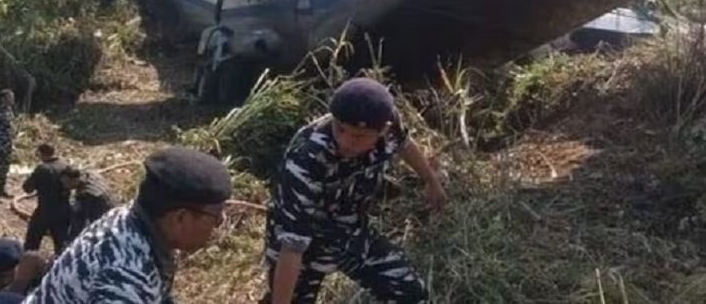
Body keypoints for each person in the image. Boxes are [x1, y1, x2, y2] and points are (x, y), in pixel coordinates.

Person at [261, 77, 447, 304]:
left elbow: (404, 143)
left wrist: (431, 180)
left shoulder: (386, 121)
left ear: (383, 130)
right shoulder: (306, 160)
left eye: (358, 136)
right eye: (340, 129)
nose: (345, 142)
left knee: (410, 294)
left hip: (351, 231)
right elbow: (292, 246)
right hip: (305, 242)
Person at [23, 146, 232, 303]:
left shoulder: (134, 219)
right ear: (180, 218)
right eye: (215, 215)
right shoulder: (126, 278)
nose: (221, 221)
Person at [22, 144, 70, 255]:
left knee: (32, 242)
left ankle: (29, 262)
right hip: (64, 210)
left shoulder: (42, 169)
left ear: (41, 153)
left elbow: (27, 188)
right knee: (62, 245)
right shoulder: (65, 165)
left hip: (45, 210)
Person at [59, 166, 116, 241]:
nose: (64, 186)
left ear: (74, 180)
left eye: (66, 183)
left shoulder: (85, 195)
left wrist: (71, 240)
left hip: (105, 219)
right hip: (115, 208)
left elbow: (79, 222)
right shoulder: (91, 174)